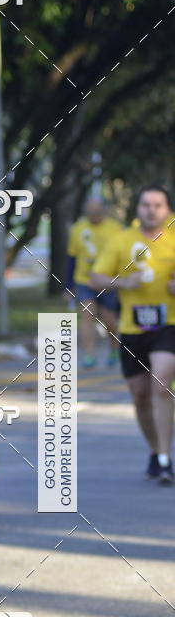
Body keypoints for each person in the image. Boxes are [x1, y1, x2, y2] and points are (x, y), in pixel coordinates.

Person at [90, 185, 175, 483]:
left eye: (158, 205)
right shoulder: (121, 240)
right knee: (140, 395)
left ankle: (165, 458)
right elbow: (95, 276)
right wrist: (123, 283)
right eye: (146, 204)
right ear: (137, 208)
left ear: (167, 209)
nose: (151, 210)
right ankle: (155, 451)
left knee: (161, 385)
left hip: (169, 325)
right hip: (132, 327)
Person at [66, 199, 122, 367]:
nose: (94, 217)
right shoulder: (78, 229)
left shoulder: (115, 229)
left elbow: (122, 257)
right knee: (87, 315)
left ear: (103, 212)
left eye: (97, 213)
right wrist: (68, 286)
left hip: (108, 281)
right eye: (91, 213)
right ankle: (90, 355)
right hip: (85, 280)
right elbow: (71, 258)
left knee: (109, 321)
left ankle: (113, 349)